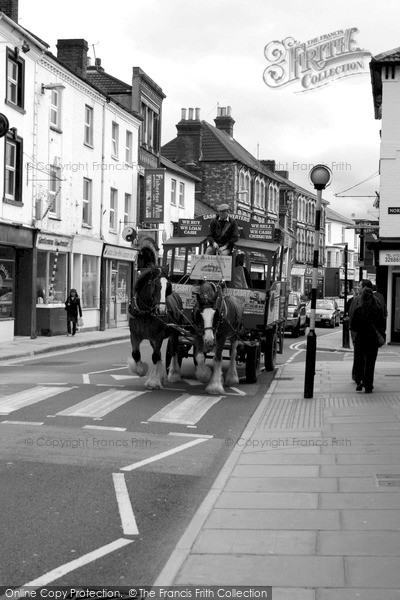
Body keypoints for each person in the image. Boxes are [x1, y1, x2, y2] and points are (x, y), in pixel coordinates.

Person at [351, 286, 386, 393]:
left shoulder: (358, 310)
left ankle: (359, 381)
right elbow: (382, 326)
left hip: (360, 339)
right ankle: (368, 384)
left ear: (362, 298)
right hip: (372, 339)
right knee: (370, 362)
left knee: (360, 361)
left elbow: (353, 327)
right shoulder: (378, 310)